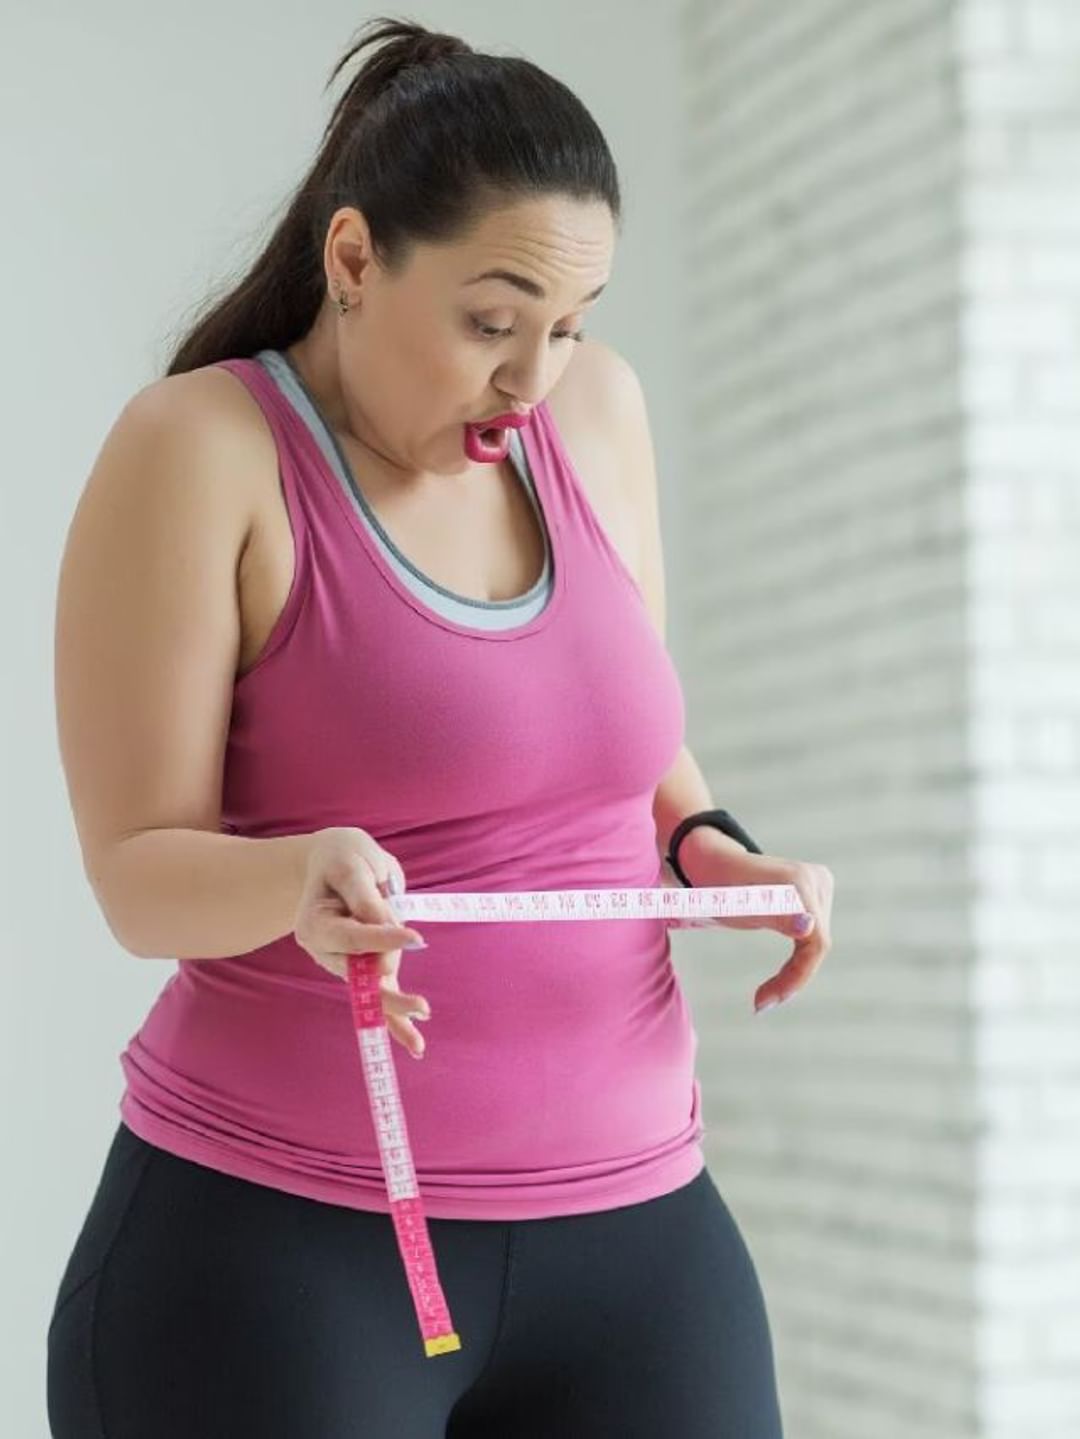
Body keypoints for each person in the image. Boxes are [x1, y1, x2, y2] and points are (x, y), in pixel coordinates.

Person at [46, 16, 796, 1437]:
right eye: (490, 323)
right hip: (279, 1255)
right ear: (352, 260)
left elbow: (618, 742)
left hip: (639, 1233)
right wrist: (296, 877)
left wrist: (711, 848)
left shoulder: (599, 415)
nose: (532, 379)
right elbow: (137, 874)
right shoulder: (204, 451)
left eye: (570, 325)